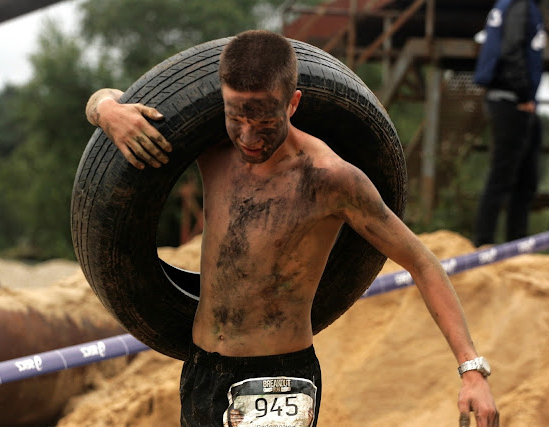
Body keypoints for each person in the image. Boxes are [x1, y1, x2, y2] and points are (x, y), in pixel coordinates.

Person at [86, 30, 498, 426]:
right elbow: (115, 99)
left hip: (278, 379)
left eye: (265, 121)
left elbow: (422, 263)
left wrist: (472, 370)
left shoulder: (330, 178)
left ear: (293, 103)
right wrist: (107, 111)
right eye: (236, 117)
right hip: (202, 368)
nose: (249, 136)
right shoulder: (213, 149)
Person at [472, 0, 545, 247]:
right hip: (511, 100)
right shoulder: (520, 6)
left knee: (526, 179)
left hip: (518, 101)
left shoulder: (516, 5)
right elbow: (511, 49)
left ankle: (517, 246)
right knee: (502, 176)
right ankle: (484, 243)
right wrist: (524, 95)